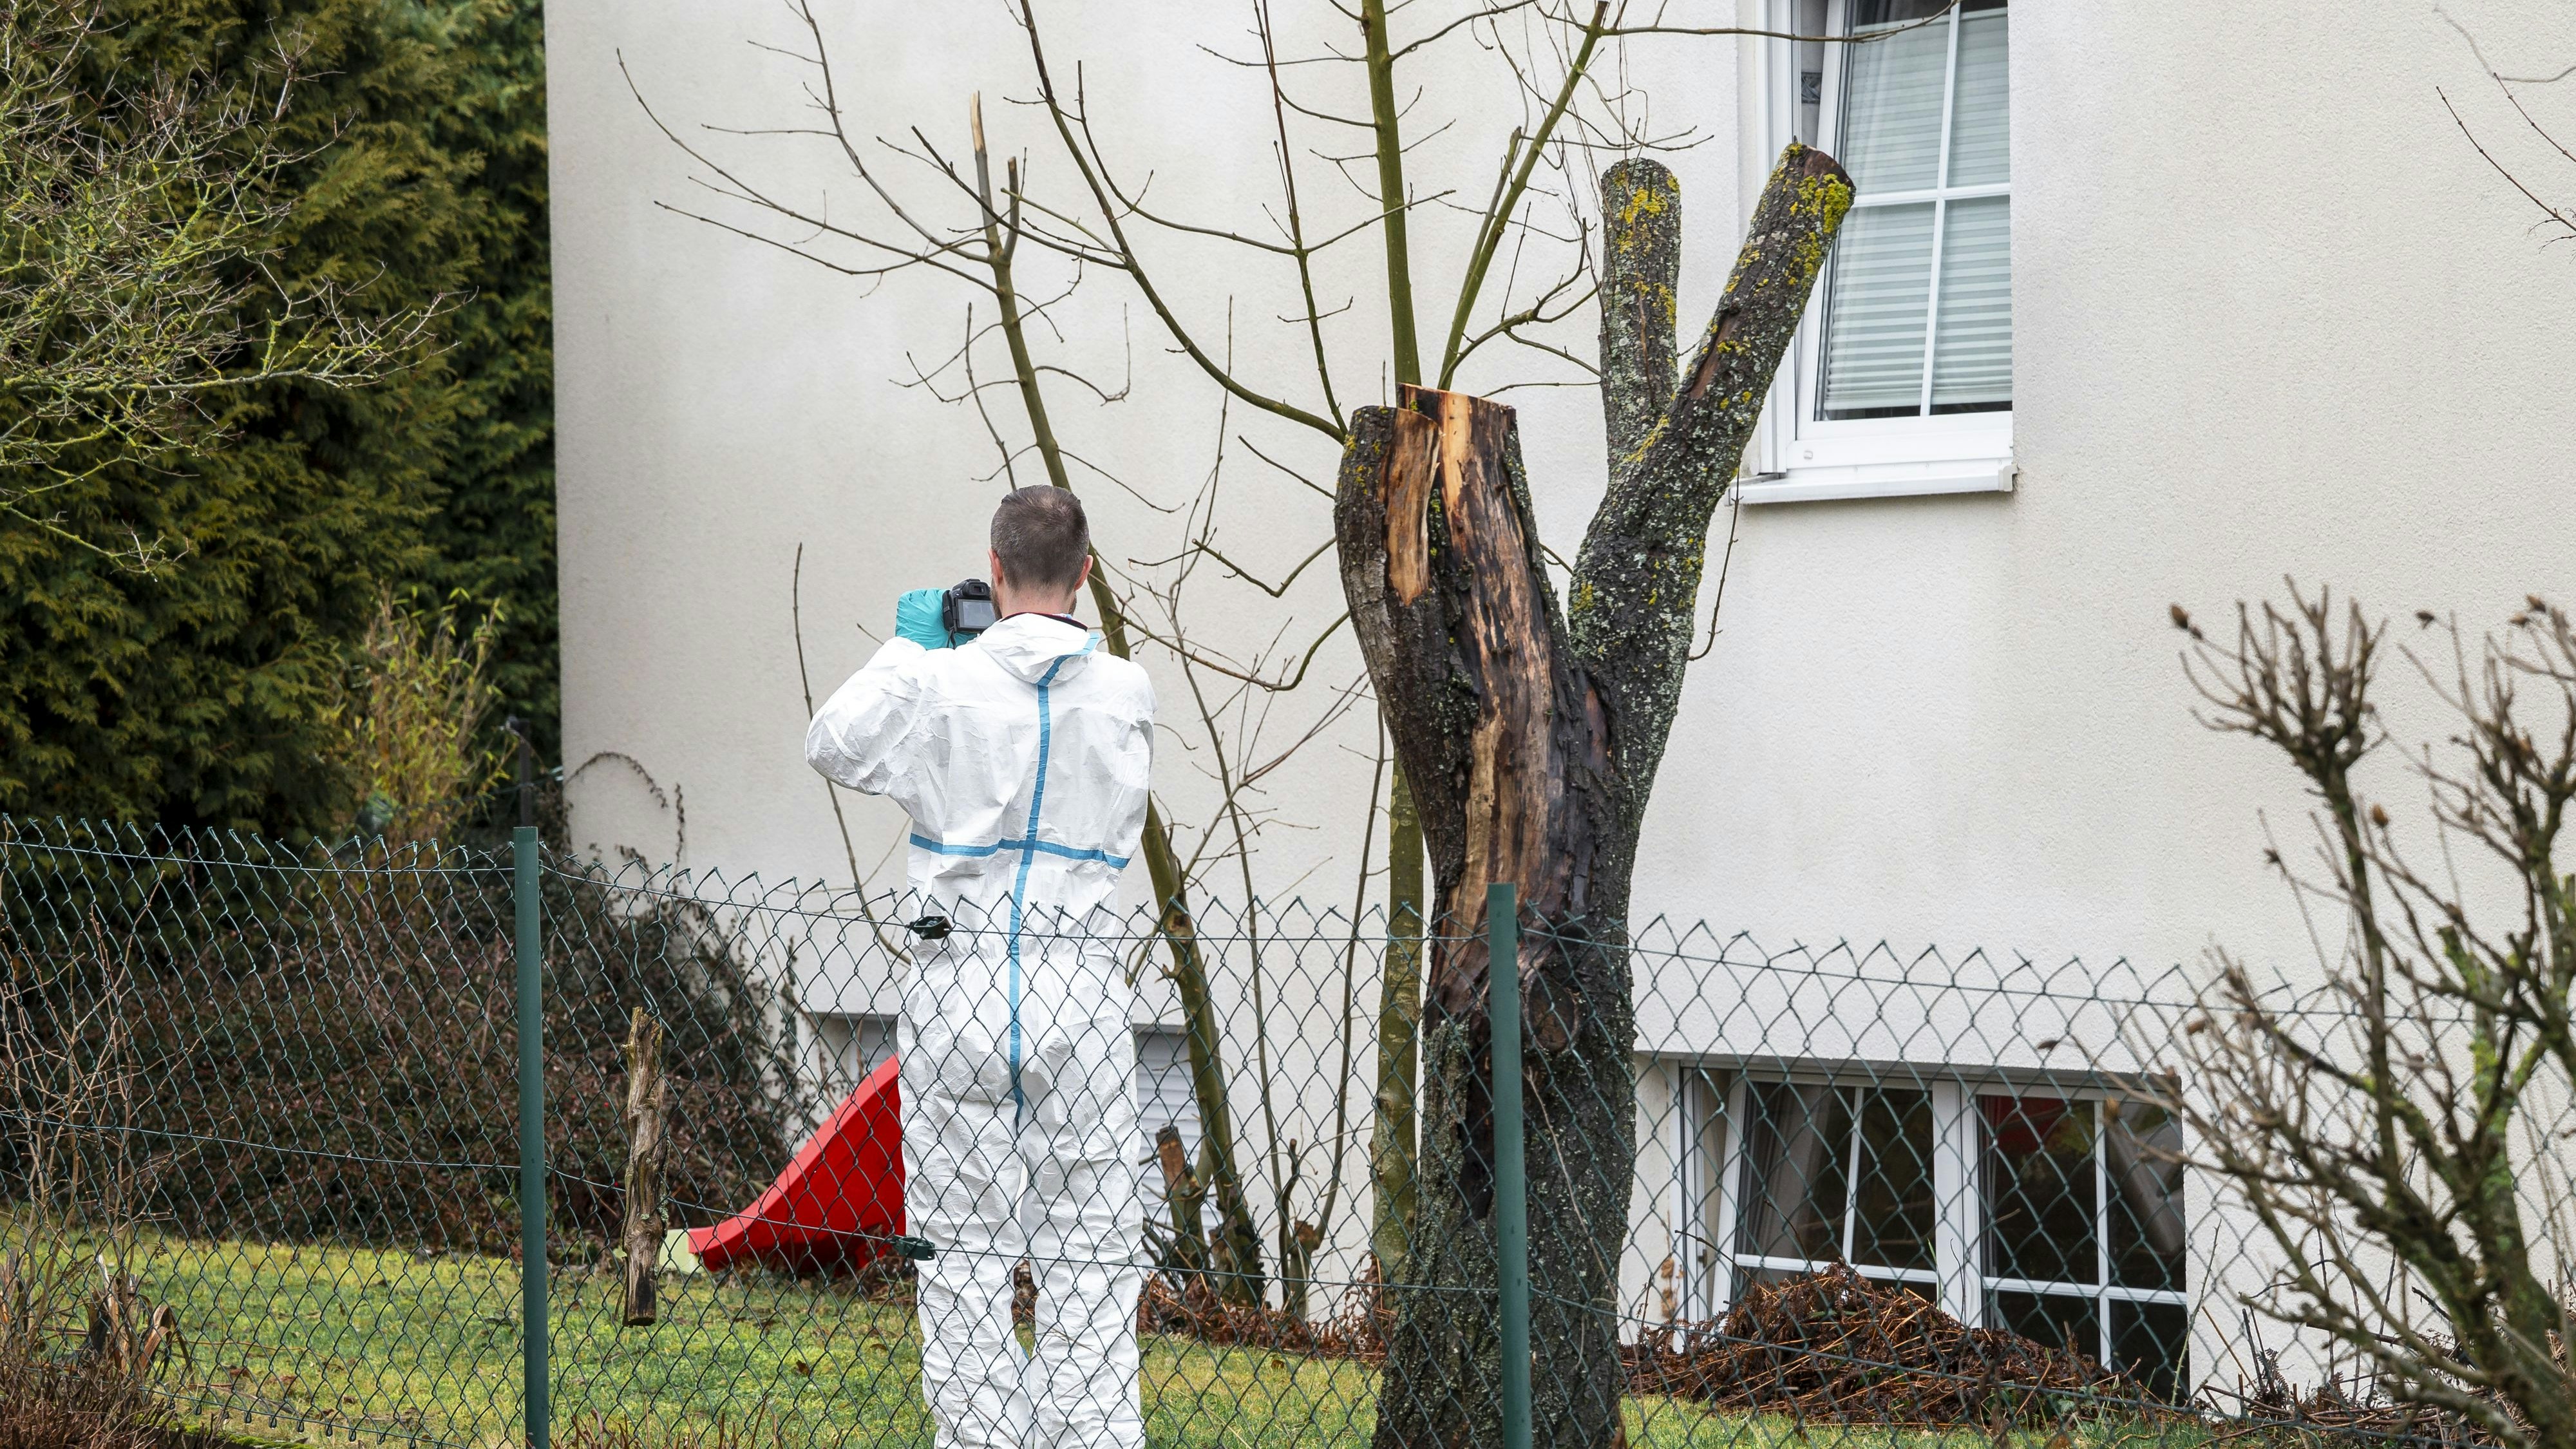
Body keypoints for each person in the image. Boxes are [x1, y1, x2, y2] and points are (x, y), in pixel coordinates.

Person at [805, 487, 1153, 1449]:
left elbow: (831, 739)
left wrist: (913, 645)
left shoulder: (937, 684)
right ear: (1086, 574)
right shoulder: (1128, 691)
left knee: (962, 1253)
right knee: (1089, 1252)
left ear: (991, 571)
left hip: (957, 980)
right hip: (1080, 987)